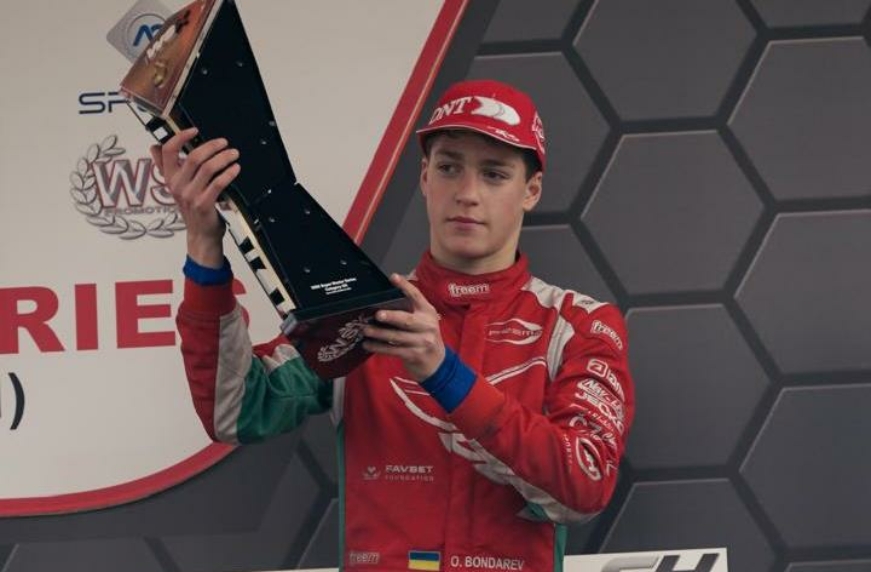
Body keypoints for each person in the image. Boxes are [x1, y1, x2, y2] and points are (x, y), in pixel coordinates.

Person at [153, 79, 634, 572]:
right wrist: (204, 244)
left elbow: (585, 488)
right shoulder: (365, 316)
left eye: (493, 174)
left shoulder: (577, 325)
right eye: (449, 168)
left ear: (531, 190)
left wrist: (444, 374)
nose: (467, 194)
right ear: (425, 177)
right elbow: (236, 411)